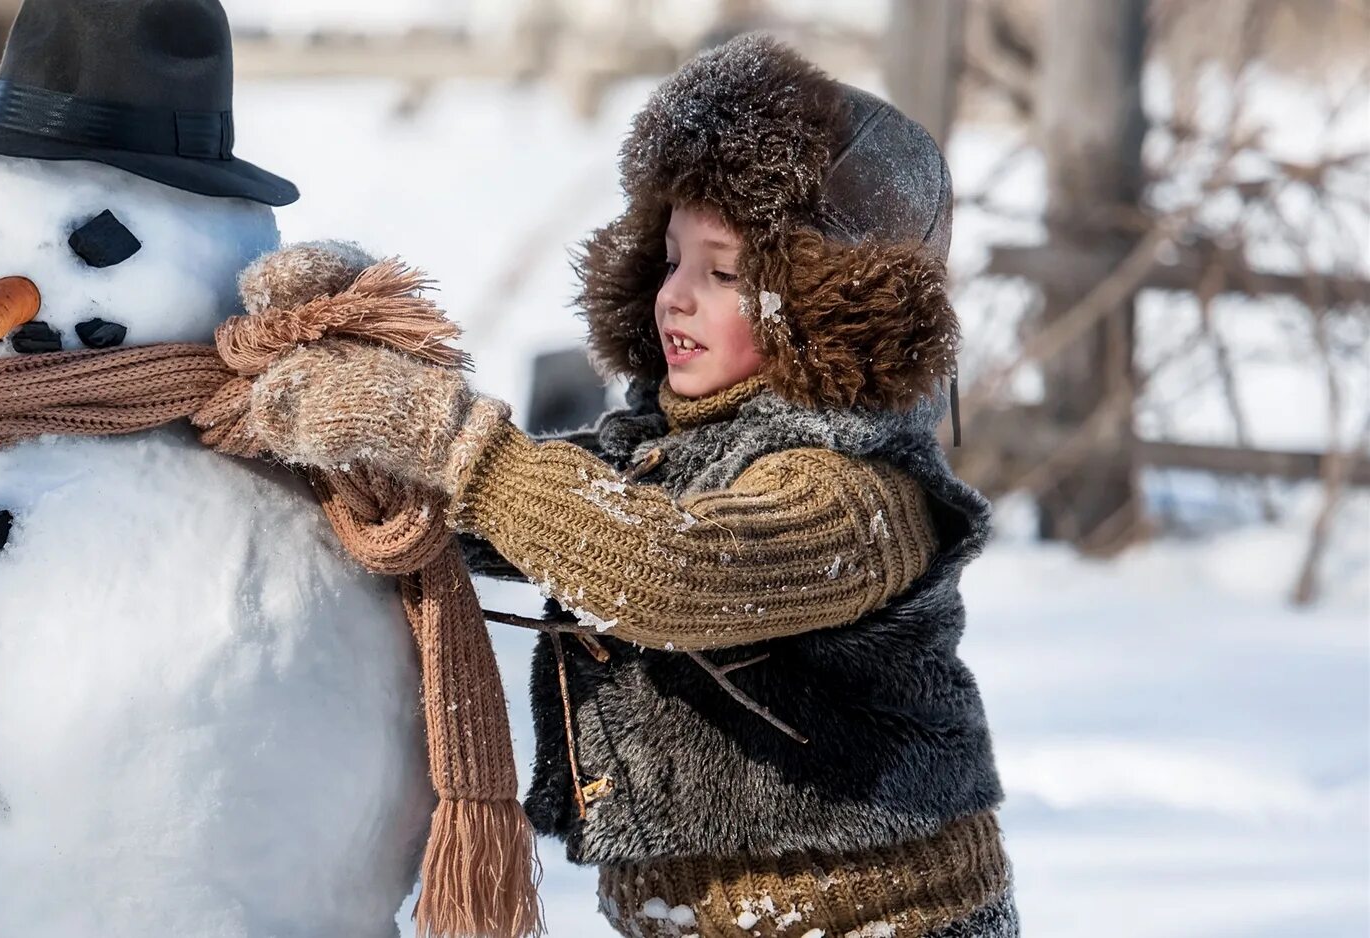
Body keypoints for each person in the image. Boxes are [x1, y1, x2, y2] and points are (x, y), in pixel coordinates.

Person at [197, 35, 1015, 938]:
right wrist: (353, 368)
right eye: (670, 260)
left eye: (726, 271)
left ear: (823, 302)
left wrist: (442, 432)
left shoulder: (857, 497)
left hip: (884, 921)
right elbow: (503, 514)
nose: (676, 295)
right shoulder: (666, 451)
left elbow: (665, 567)